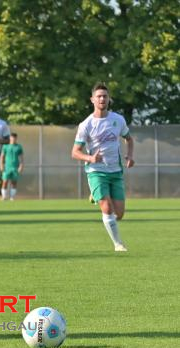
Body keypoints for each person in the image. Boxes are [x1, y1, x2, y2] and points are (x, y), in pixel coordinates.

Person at [71, 82, 134, 252]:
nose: (102, 99)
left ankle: (94, 196)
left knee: (119, 214)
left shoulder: (118, 120)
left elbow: (129, 139)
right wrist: (90, 158)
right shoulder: (86, 124)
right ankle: (118, 244)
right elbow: (75, 152)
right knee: (107, 208)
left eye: (105, 96)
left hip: (115, 171)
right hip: (96, 171)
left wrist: (130, 155)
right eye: (98, 96)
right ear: (92, 99)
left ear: (109, 99)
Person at [0, 133, 24, 201]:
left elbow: (21, 157)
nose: (13, 139)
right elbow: (2, 156)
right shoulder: (5, 146)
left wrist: (21, 166)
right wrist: (1, 165)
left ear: (16, 138)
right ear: (10, 138)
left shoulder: (19, 147)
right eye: (12, 137)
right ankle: (4, 197)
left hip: (15, 167)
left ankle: (12, 197)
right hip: (7, 167)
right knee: (5, 182)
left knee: (14, 182)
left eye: (15, 138)